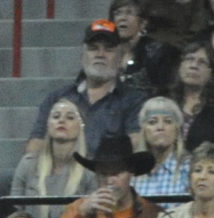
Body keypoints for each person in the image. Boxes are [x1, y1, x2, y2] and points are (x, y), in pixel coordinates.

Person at [32, 17, 147, 162]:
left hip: (106, 174)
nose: (100, 54)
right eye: (93, 48)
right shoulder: (56, 98)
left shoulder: (135, 101)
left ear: (120, 56)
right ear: (83, 55)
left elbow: (135, 147)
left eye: (108, 49)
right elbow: (35, 144)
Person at [14, 93, 100, 202]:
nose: (61, 120)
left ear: (81, 126)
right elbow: (14, 210)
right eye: (56, 116)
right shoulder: (27, 164)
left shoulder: (90, 170)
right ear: (48, 125)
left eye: (70, 117)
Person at [132, 95, 189, 196]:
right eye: (152, 122)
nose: (160, 127)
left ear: (177, 130)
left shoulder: (189, 168)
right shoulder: (131, 172)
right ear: (144, 130)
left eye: (168, 121)